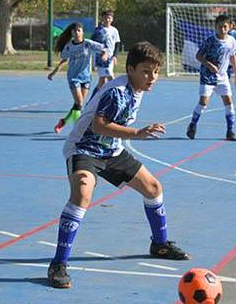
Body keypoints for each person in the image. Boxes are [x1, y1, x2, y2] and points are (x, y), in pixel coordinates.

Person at [47, 41, 191, 289]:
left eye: (156, 71)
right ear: (131, 69)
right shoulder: (117, 91)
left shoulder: (137, 88)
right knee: (82, 193)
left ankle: (160, 244)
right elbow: (98, 126)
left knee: (153, 188)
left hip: (111, 150)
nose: (152, 77)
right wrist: (138, 132)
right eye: (146, 71)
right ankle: (58, 264)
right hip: (85, 148)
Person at [186, 14, 236, 141]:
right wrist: (209, 64)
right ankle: (192, 125)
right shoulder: (210, 41)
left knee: (229, 102)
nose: (222, 29)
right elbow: (198, 56)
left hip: (223, 77)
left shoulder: (231, 41)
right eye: (220, 27)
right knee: (203, 102)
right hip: (208, 76)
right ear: (215, 27)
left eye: (225, 27)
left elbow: (232, 57)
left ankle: (230, 131)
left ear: (229, 27)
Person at [48, 22, 107, 133]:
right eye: (75, 31)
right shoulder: (69, 47)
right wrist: (54, 72)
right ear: (72, 33)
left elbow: (103, 49)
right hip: (73, 77)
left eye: (79, 31)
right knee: (79, 102)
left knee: (78, 105)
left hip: (86, 77)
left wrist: (104, 55)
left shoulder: (88, 44)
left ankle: (63, 122)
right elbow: (64, 60)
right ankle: (78, 129)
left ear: (82, 32)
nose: (77, 33)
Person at [91, 10, 121, 96]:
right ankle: (118, 95)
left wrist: (115, 56)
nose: (107, 20)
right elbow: (93, 44)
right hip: (101, 58)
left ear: (112, 19)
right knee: (110, 77)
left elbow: (117, 44)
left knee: (102, 80)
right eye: (105, 18)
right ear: (102, 19)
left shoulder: (114, 30)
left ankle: (94, 98)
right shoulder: (98, 30)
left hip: (110, 57)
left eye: (109, 18)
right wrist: (100, 53)